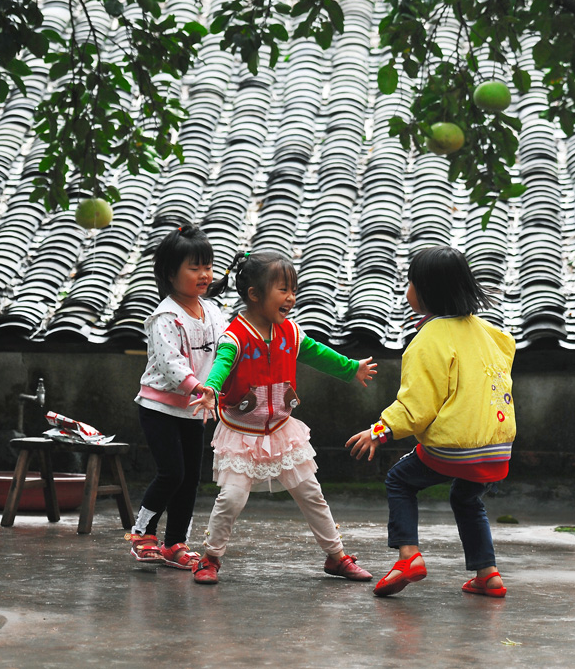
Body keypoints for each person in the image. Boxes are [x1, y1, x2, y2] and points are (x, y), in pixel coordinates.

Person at [188, 250, 378, 585]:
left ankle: (337, 557)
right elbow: (222, 364)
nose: (291, 297)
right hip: (242, 433)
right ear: (254, 294)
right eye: (283, 290)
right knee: (231, 499)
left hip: (282, 430)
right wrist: (211, 389)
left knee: (311, 493)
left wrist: (351, 368)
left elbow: (318, 353)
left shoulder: (291, 332)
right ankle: (210, 558)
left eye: (293, 290)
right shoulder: (234, 336)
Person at [346, 245, 516, 598]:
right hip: (498, 448)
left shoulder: (429, 340)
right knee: (467, 498)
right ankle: (488, 574)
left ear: (426, 291)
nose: (407, 289)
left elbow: (417, 406)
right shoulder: (488, 332)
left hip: (455, 447)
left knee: (400, 480)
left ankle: (408, 557)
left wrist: (379, 430)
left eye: (411, 282)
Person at [126, 224, 227, 569]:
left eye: (207, 266)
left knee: (190, 480)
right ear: (171, 273)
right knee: (171, 473)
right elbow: (172, 365)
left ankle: (175, 543)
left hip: (194, 409)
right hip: (160, 408)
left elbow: (226, 350)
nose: (204, 275)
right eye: (194, 267)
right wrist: (200, 388)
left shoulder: (212, 312)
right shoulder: (165, 316)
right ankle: (142, 534)